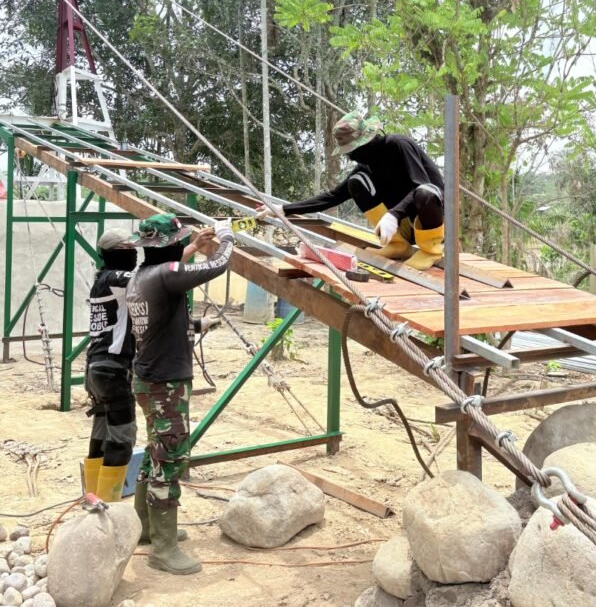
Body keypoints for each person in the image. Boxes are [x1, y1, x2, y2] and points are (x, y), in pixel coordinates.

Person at [126, 213, 233, 574]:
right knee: (169, 461)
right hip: (166, 384)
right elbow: (218, 264)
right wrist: (226, 237)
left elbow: (171, 269)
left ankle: (145, 528)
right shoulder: (167, 276)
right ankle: (164, 549)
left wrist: (189, 247)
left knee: (156, 453)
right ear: (168, 245)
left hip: (148, 379)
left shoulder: (142, 278)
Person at [257, 111, 445, 271]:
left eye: (352, 150)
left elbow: (421, 186)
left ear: (366, 141)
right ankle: (397, 245)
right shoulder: (367, 166)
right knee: (355, 182)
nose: (351, 156)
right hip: (399, 226)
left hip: (431, 221)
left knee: (425, 192)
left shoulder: (397, 145)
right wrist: (283, 209)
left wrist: (393, 215)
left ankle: (431, 251)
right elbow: (333, 196)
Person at [83, 228, 138, 502]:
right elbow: (153, 278)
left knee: (102, 435)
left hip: (97, 369)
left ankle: (93, 501)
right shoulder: (118, 279)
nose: (135, 252)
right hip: (112, 369)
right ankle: (109, 508)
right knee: (122, 439)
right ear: (116, 253)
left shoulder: (103, 278)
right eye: (129, 248)